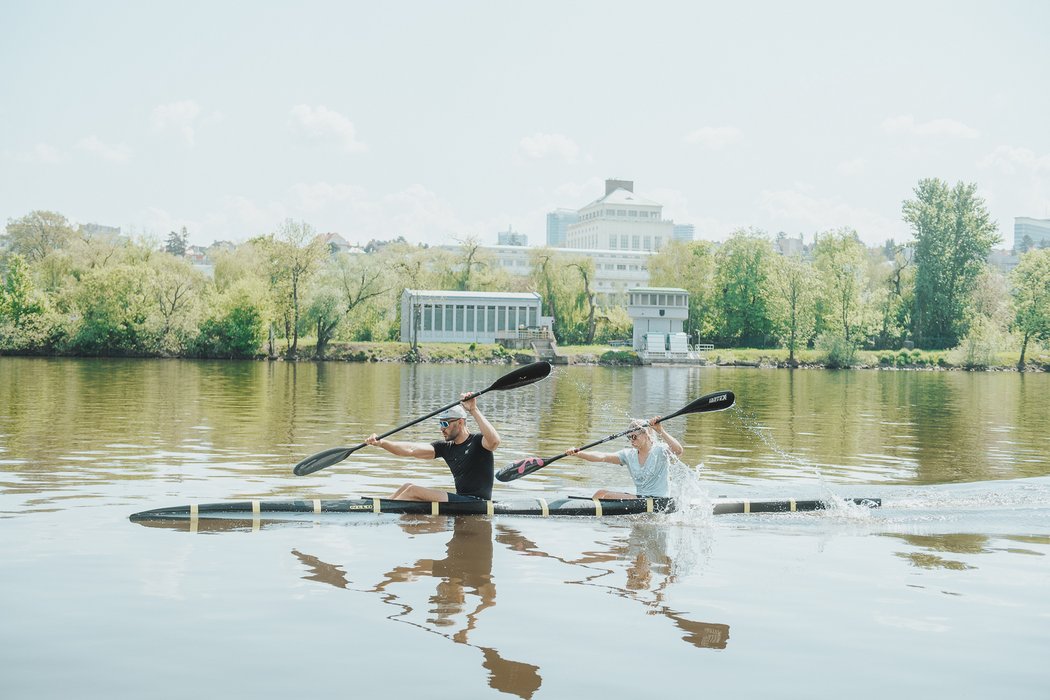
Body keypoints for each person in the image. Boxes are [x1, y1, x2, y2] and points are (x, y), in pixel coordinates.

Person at [365, 394, 501, 502]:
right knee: (406, 486)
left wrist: (473, 410)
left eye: (445, 423)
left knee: (413, 491)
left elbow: (495, 441)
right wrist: (382, 443)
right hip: (461, 499)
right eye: (440, 423)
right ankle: (381, 505)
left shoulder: (478, 441)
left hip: (477, 502)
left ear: (460, 422)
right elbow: (410, 449)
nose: (441, 428)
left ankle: (382, 512)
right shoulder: (446, 448)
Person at [566, 417, 683, 499]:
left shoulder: (660, 450)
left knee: (603, 495)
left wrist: (660, 430)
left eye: (634, 437)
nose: (631, 441)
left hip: (659, 501)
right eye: (629, 437)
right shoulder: (628, 455)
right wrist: (579, 453)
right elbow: (603, 456)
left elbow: (678, 450)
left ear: (646, 434)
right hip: (641, 500)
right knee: (600, 494)